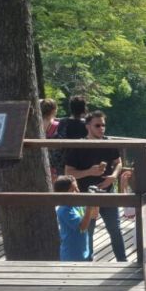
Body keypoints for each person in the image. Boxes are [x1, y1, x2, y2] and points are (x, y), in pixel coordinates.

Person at [64, 110, 126, 262]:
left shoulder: (108, 142)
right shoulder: (78, 146)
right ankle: (88, 264)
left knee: (115, 230)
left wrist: (113, 176)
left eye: (103, 125)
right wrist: (89, 172)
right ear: (88, 126)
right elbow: (68, 172)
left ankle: (123, 262)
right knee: (88, 232)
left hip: (107, 192)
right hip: (87, 196)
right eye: (97, 125)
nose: (101, 128)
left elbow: (118, 162)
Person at [54, 175, 97, 262]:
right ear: (64, 194)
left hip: (83, 252)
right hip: (71, 255)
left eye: (77, 188)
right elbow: (82, 227)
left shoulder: (77, 204)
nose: (78, 191)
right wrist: (89, 207)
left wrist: (95, 199)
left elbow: (94, 215)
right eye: (73, 190)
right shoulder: (64, 210)